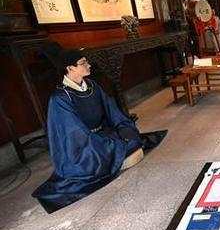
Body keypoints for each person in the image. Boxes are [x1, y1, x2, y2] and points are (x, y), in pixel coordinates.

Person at [32, 48, 165, 213]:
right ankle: (109, 151)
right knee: (104, 154)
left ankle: (112, 149)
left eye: (87, 61)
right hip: (81, 146)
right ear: (70, 68)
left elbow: (112, 110)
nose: (88, 65)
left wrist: (123, 127)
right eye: (83, 63)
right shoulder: (60, 98)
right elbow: (74, 134)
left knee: (131, 137)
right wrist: (104, 143)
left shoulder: (92, 86)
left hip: (101, 134)